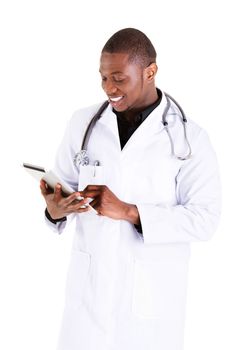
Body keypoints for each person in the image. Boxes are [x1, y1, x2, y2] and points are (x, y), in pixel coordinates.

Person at [40, 28, 221, 350]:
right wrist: (55, 212)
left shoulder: (190, 138)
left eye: (119, 78)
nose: (109, 88)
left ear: (150, 72)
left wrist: (129, 212)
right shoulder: (83, 123)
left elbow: (205, 219)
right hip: (89, 294)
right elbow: (62, 187)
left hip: (150, 297)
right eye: (104, 78)